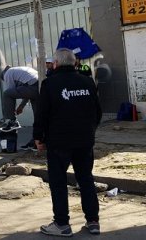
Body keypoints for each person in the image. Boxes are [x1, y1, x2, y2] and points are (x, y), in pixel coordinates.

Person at [34, 48, 102, 237]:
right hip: (84, 141)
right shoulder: (87, 82)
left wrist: (38, 137)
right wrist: (90, 131)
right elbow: (97, 112)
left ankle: (62, 224)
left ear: (55, 64)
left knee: (58, 182)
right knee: (86, 179)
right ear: (75, 63)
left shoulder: (49, 84)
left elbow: (42, 114)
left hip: (58, 142)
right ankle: (93, 221)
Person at [0, 65, 39, 153]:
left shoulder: (7, 74)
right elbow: (28, 90)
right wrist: (21, 106)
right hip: (39, 87)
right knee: (38, 118)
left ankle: (12, 121)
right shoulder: (19, 70)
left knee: (6, 94)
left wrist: (10, 112)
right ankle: (37, 141)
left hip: (32, 87)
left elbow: (11, 92)